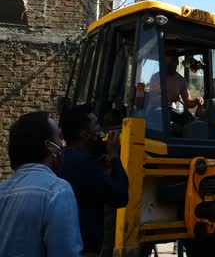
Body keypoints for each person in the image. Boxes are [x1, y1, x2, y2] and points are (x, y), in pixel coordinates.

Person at [0, 111, 83, 256]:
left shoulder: (2, 191)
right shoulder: (57, 192)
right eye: (59, 137)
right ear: (50, 147)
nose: (62, 145)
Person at [59, 105, 129, 257]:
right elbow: (120, 196)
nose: (100, 129)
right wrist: (114, 156)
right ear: (85, 135)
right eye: (96, 125)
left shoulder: (60, 159)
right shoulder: (86, 165)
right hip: (84, 248)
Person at [136, 52, 203, 110]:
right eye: (171, 62)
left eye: (176, 62)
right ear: (164, 62)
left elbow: (188, 102)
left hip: (171, 113)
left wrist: (196, 101)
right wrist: (168, 98)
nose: (175, 64)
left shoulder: (181, 80)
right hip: (155, 113)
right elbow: (153, 100)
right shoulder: (156, 77)